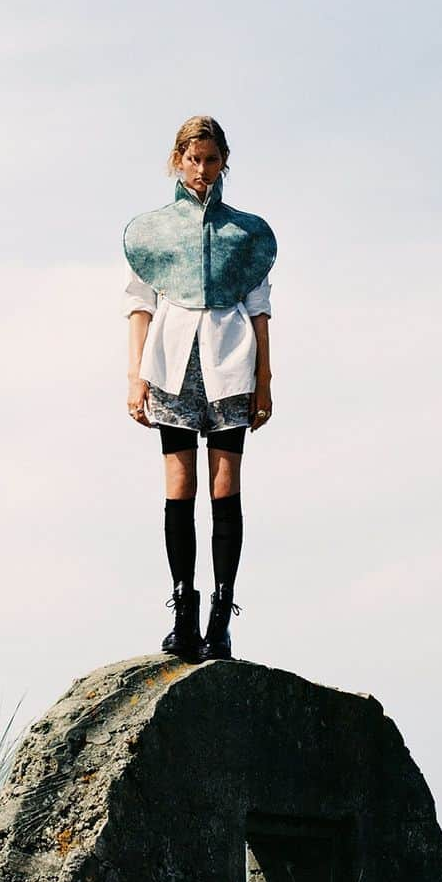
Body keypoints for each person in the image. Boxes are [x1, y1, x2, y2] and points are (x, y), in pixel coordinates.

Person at [122, 114, 276, 662]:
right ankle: (183, 611)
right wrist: (136, 375)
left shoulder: (248, 233)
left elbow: (259, 309)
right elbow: (139, 304)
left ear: (223, 161)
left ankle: (221, 617)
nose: (203, 170)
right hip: (171, 363)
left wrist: (265, 379)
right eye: (194, 159)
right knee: (179, 482)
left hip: (231, 361)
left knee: (225, 483)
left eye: (212, 160)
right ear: (177, 160)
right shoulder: (152, 231)